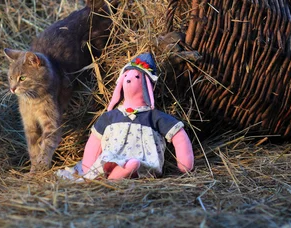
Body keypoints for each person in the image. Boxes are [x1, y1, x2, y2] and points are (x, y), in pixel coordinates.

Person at [57, 52, 193, 181]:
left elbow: (178, 135)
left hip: (144, 164)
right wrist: (88, 167)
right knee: (110, 162)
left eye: (136, 77)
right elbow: (94, 142)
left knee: (135, 164)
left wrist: (185, 163)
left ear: (147, 85)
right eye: (126, 77)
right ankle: (118, 173)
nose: (129, 80)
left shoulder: (154, 117)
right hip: (110, 160)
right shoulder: (109, 117)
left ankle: (120, 175)